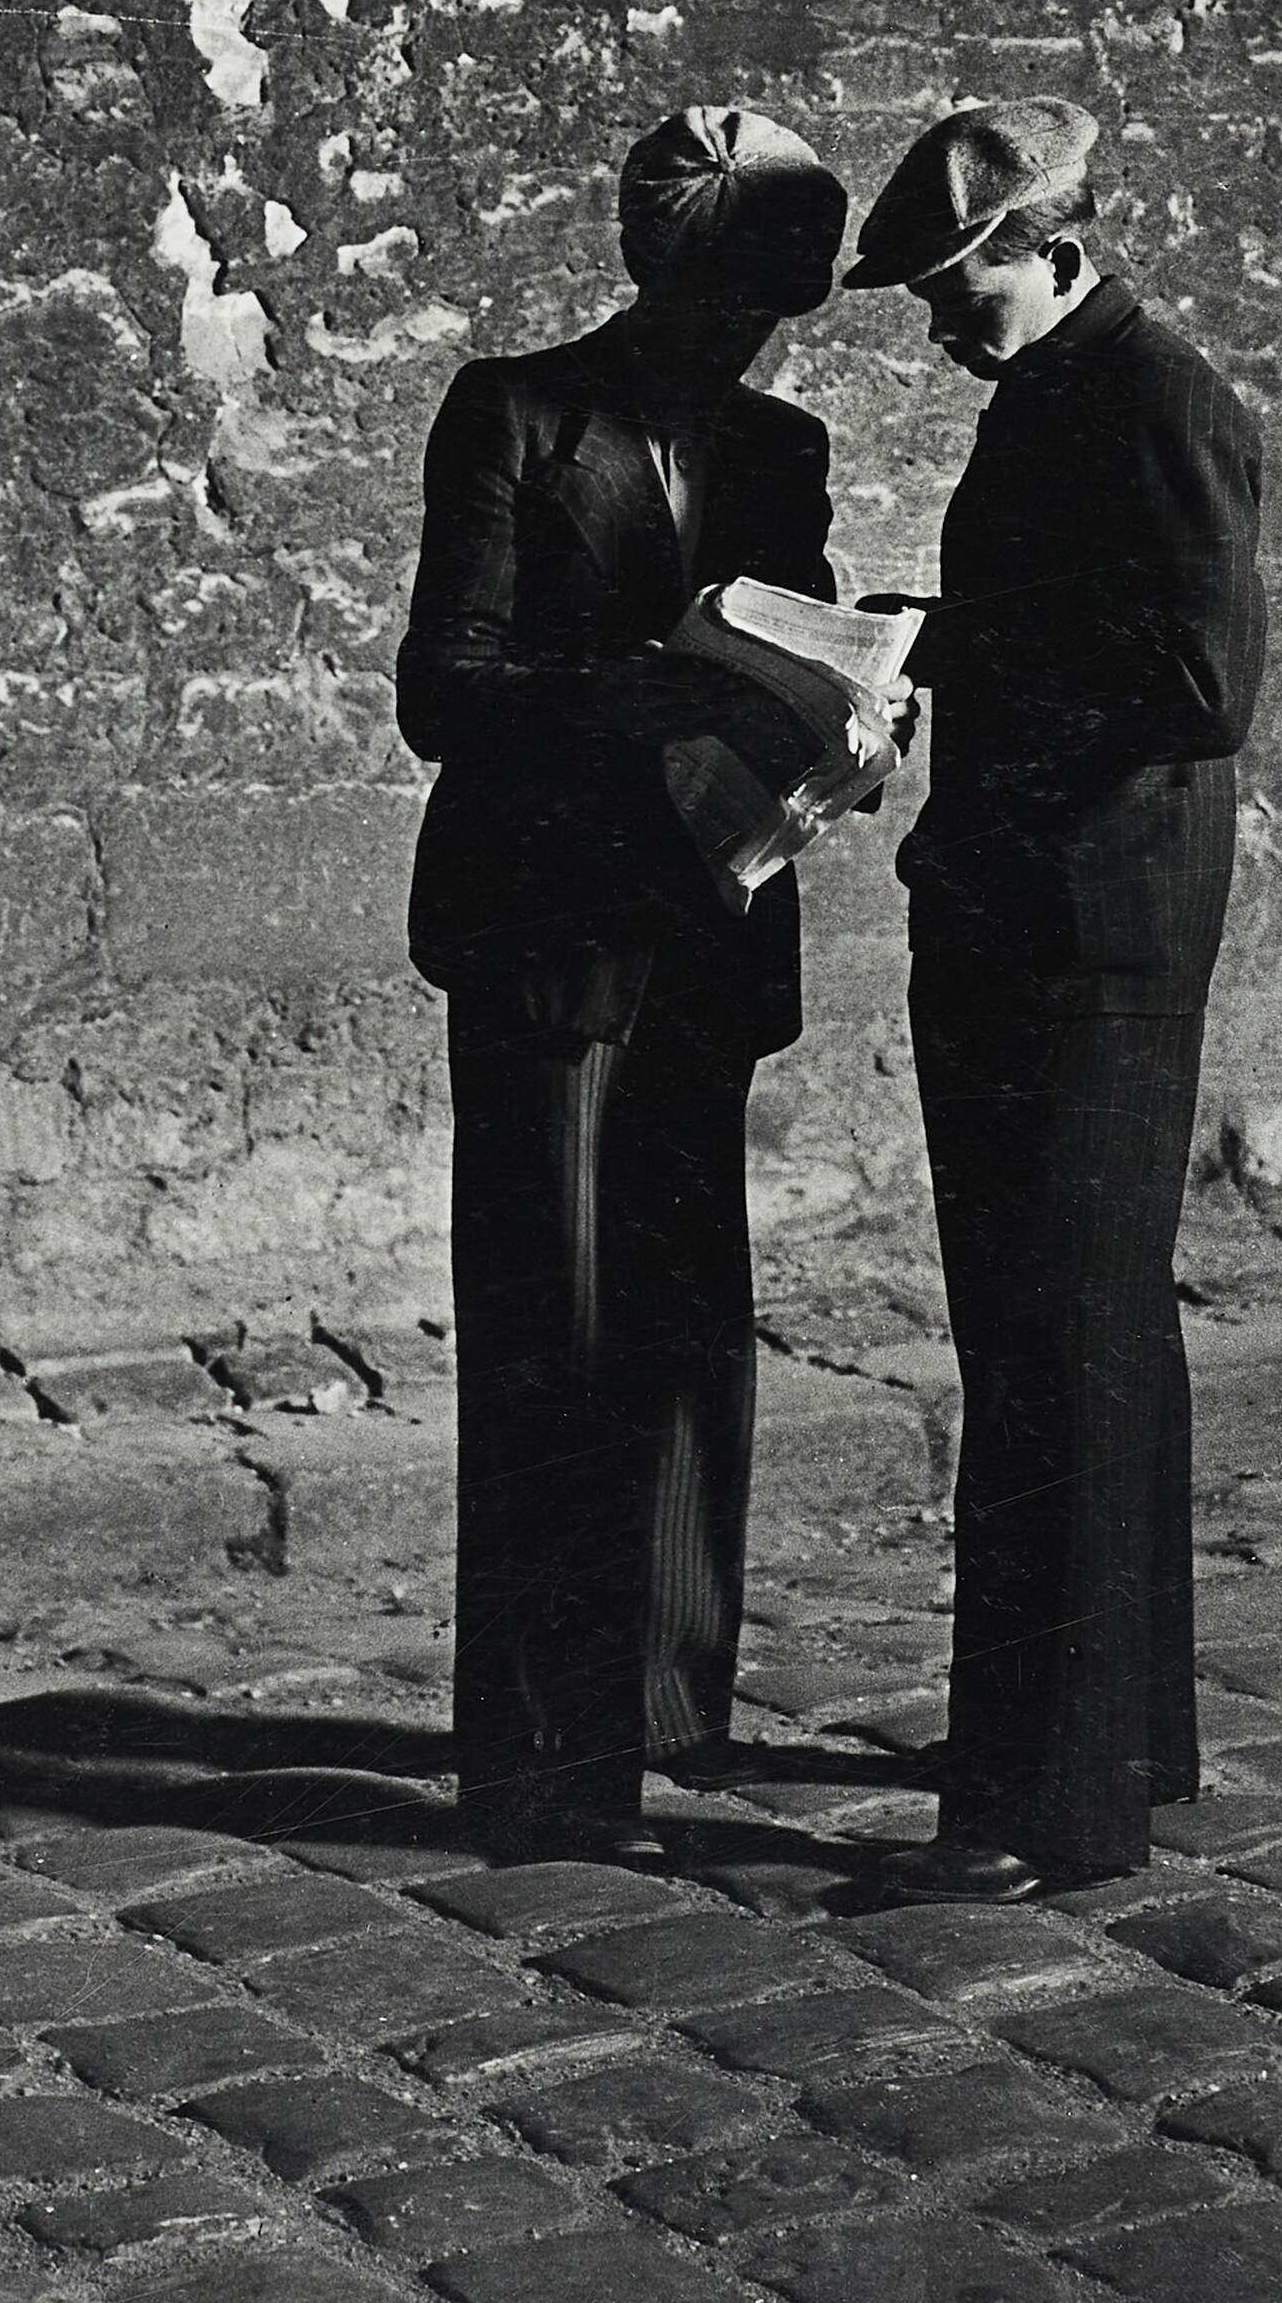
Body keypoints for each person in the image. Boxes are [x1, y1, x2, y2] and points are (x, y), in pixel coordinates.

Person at [396, 105, 852, 1864]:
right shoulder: (515, 411)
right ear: (658, 271)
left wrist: (842, 704)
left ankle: (670, 1704)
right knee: (548, 1325)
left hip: (710, 919)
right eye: (729, 295)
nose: (748, 335)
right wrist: (635, 693)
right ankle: (537, 1746)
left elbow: (792, 654)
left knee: (684, 1323)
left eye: (770, 309)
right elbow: (448, 685)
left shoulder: (782, 446)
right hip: (546, 930)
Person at [844, 99, 1266, 1898]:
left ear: (1058, 246)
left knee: (1054, 1340)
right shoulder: (1064, 392)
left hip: (1087, 924)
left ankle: (1054, 1803)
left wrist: (953, 644)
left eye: (963, 289)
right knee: (1093, 1327)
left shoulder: (1155, 394)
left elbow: (1198, 673)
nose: (943, 327)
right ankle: (1131, 1734)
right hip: (1059, 907)